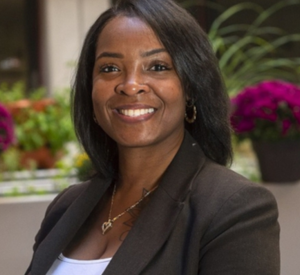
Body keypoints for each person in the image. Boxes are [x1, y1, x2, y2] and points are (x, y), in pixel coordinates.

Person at [25, 0, 280, 274]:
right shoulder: (66, 207)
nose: (130, 85)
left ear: (191, 88)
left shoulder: (235, 208)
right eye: (110, 68)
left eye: (157, 66)